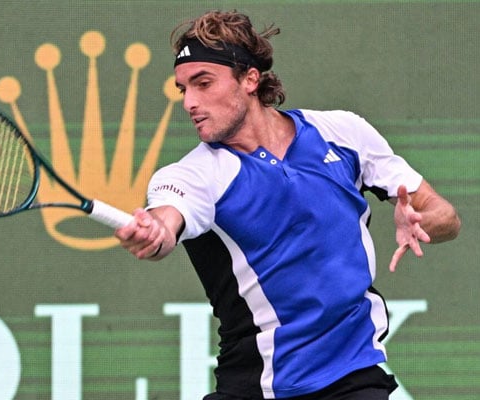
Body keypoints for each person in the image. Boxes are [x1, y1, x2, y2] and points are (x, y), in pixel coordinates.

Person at [114, 10, 461, 400]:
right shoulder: (193, 175)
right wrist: (154, 232)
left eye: (203, 83)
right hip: (257, 384)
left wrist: (423, 219)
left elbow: (445, 216)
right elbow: (166, 222)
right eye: (184, 89)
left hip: (353, 375)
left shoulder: (343, 133)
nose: (189, 102)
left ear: (250, 78)